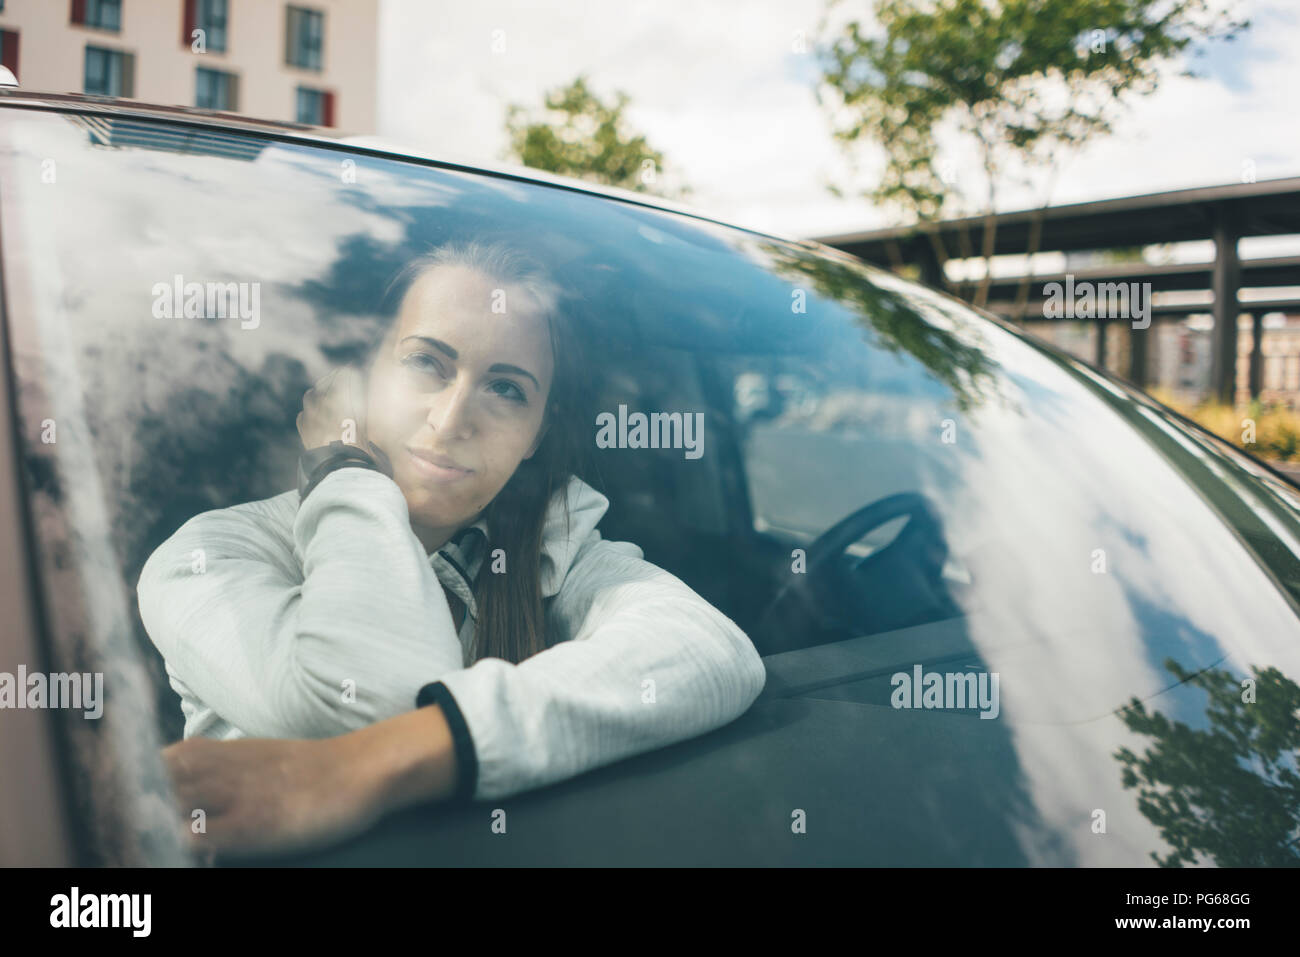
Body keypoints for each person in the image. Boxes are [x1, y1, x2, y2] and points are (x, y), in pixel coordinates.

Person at [136, 239, 767, 859]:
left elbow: (709, 651)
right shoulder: (212, 556)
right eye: (426, 363)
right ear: (359, 377)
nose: (451, 418)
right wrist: (343, 467)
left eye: (507, 389)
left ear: (536, 435)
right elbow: (367, 700)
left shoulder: (551, 552)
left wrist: (403, 754)